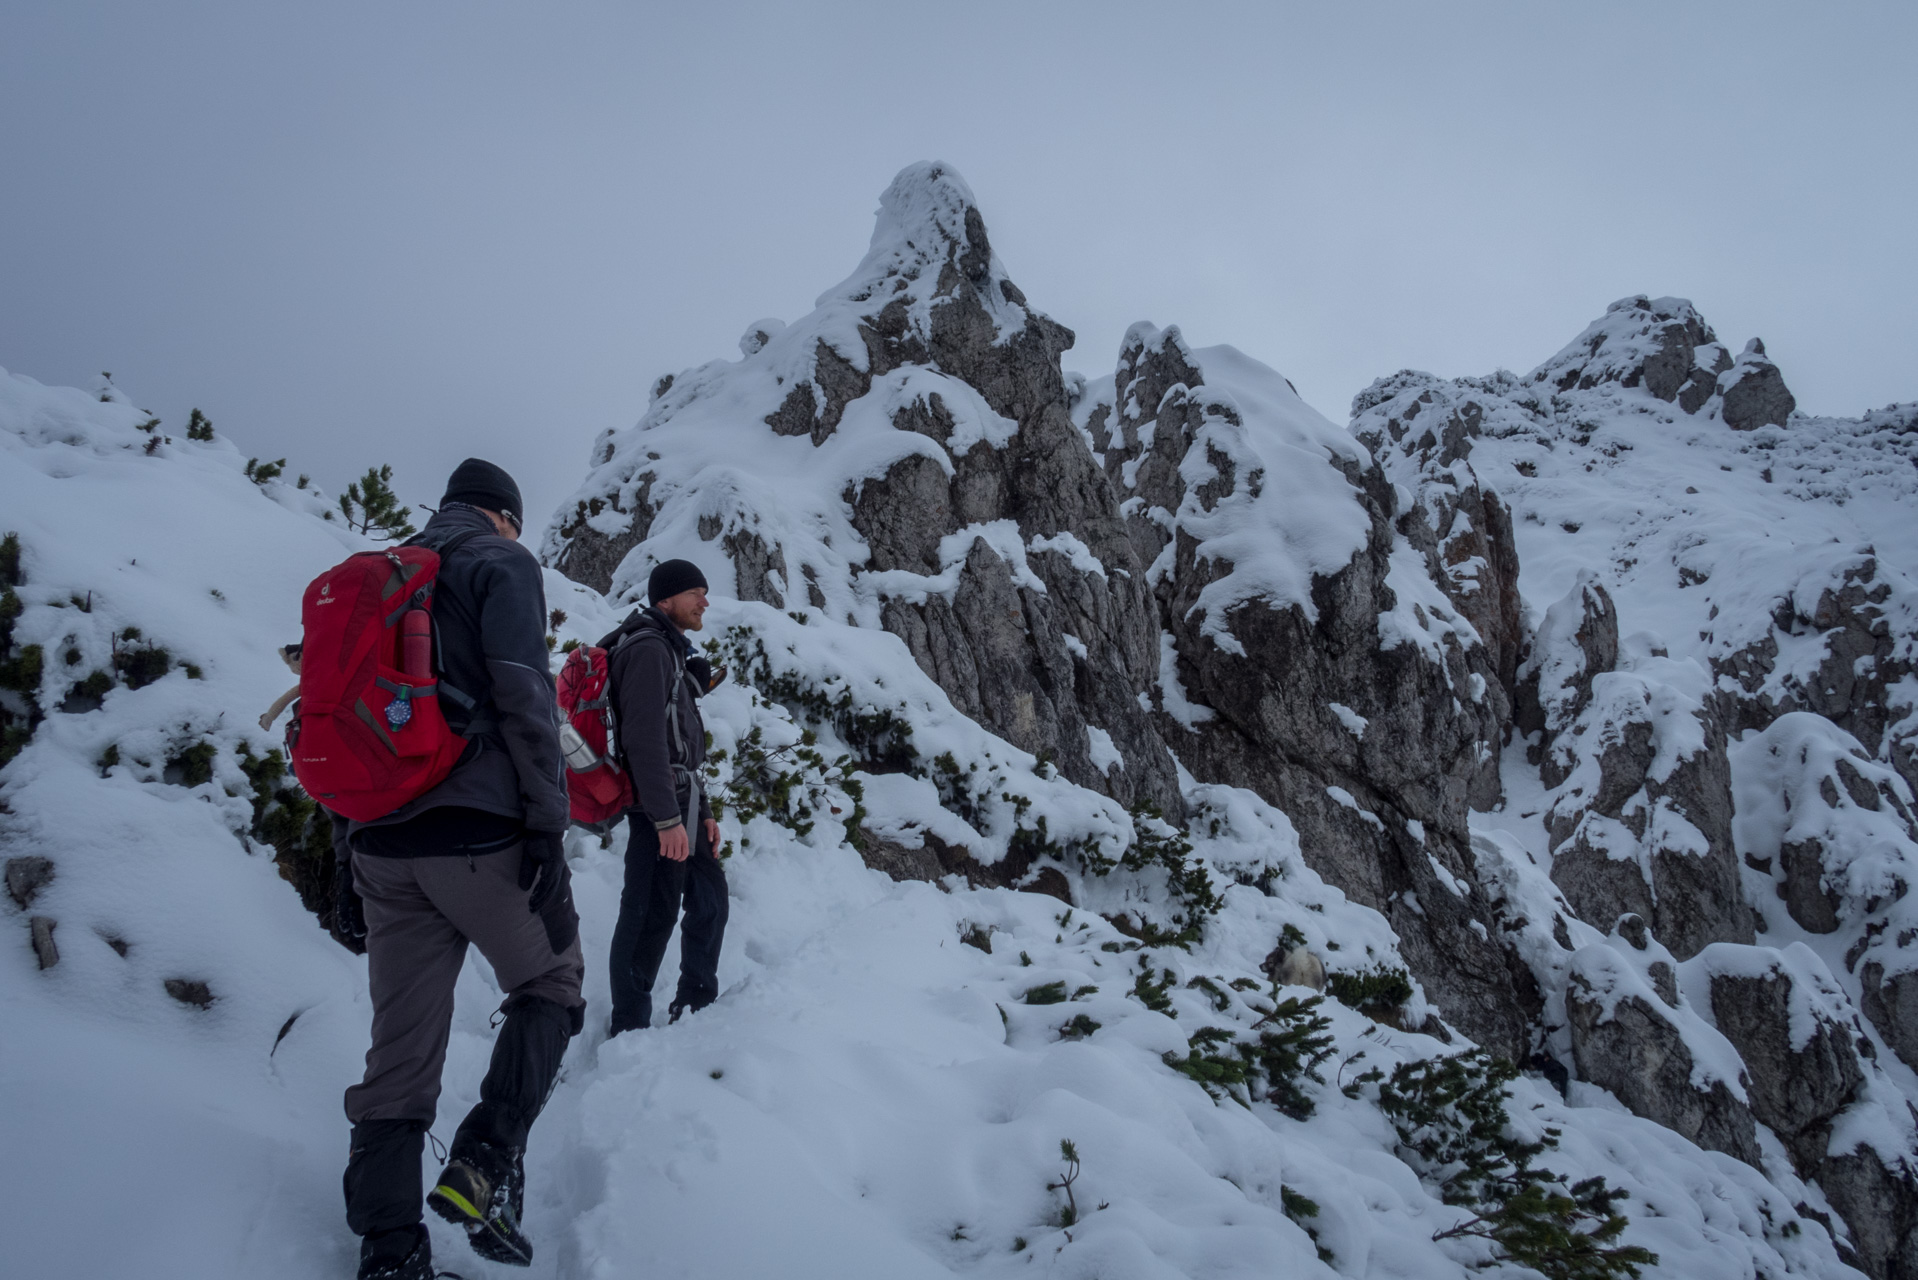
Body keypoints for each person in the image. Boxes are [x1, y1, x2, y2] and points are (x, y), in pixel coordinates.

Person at [331, 458, 583, 1280]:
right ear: (503, 516)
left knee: (399, 1051)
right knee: (551, 984)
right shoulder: (500, 562)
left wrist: (346, 842)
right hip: (480, 835)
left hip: (380, 845)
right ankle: (484, 1165)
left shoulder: (377, 577)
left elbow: (339, 716)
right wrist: (547, 823)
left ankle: (388, 1249)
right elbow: (525, 697)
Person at [603, 558, 728, 1037]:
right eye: (696, 592)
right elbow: (644, 741)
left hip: (683, 800)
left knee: (710, 899)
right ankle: (628, 1026)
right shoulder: (650, 649)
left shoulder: (669, 651)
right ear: (665, 600)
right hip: (660, 806)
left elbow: (681, 744)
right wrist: (664, 820)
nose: (705, 602)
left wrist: (704, 814)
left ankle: (696, 1004)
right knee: (648, 912)